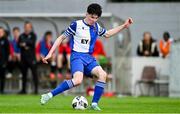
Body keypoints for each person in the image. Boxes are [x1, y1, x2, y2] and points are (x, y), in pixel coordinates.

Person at [40, 3, 133, 110]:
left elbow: (107, 34)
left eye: (96, 18)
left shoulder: (96, 27)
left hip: (89, 58)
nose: (93, 20)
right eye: (92, 17)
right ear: (86, 14)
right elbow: (61, 38)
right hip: (77, 57)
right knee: (78, 80)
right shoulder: (76, 25)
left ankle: (94, 105)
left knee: (103, 74)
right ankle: (49, 95)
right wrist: (50, 54)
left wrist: (124, 26)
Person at [18, 21, 38, 94]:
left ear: (31, 28)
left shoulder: (33, 35)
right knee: (24, 75)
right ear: (24, 28)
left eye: (28, 27)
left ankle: (36, 90)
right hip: (23, 58)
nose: (27, 28)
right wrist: (25, 44)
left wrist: (24, 43)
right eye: (26, 27)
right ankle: (23, 90)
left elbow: (32, 43)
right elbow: (18, 44)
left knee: (34, 74)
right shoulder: (21, 35)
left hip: (32, 58)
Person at [0, 27, 10, 94]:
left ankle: (2, 90)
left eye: (1, 32)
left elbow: (7, 51)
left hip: (2, 61)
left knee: (2, 76)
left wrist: (5, 61)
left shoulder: (5, 40)